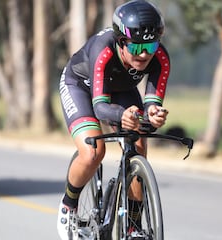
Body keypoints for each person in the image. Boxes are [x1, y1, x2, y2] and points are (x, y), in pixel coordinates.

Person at [57, 0, 170, 239]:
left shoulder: (160, 57)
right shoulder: (104, 50)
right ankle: (69, 204)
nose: (144, 55)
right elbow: (100, 108)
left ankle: (134, 225)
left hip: (119, 89)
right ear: (120, 42)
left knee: (138, 145)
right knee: (93, 151)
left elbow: (152, 104)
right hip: (81, 85)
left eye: (150, 46)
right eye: (136, 47)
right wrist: (122, 115)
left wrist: (154, 115)